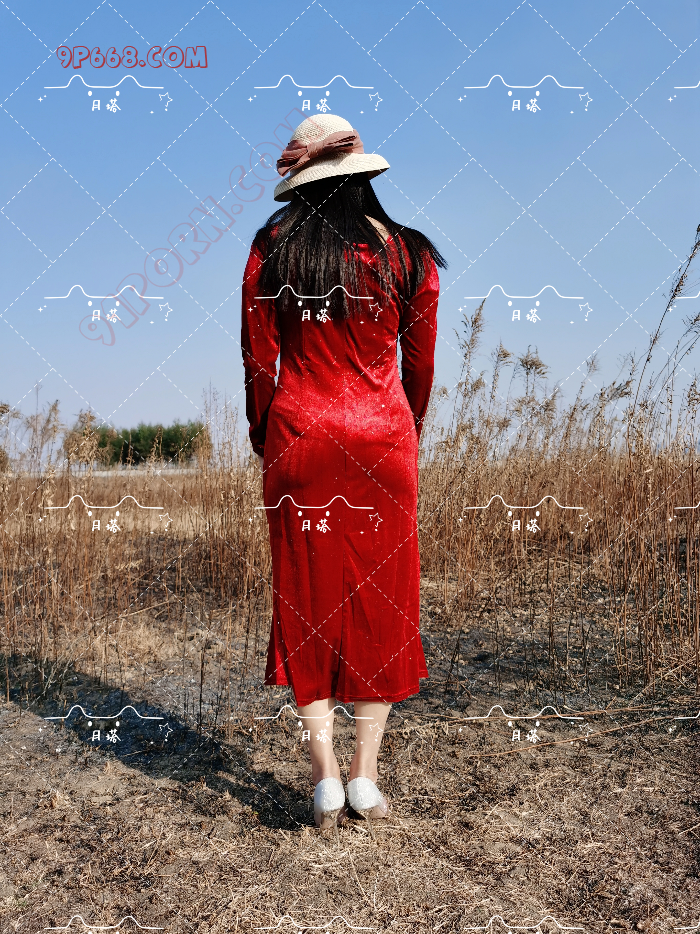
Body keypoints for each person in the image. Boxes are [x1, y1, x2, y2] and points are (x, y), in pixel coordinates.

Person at [241, 113, 445, 839]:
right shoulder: (408, 252)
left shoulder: (273, 249)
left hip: (300, 437)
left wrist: (267, 435)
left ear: (301, 182)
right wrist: (403, 431)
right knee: (379, 605)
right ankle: (366, 774)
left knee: (306, 601)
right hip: (383, 443)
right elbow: (419, 365)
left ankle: (324, 778)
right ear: (362, 175)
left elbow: (259, 359)